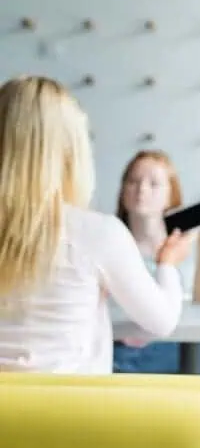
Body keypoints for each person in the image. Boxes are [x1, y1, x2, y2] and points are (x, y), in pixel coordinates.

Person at [0, 76, 189, 374]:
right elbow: (162, 320)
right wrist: (167, 264)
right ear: (71, 150)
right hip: (73, 415)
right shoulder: (98, 233)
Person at [112, 150, 200, 375]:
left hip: (172, 341)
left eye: (154, 184)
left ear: (170, 194)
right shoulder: (110, 242)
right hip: (121, 346)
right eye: (133, 181)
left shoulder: (185, 248)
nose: (141, 190)